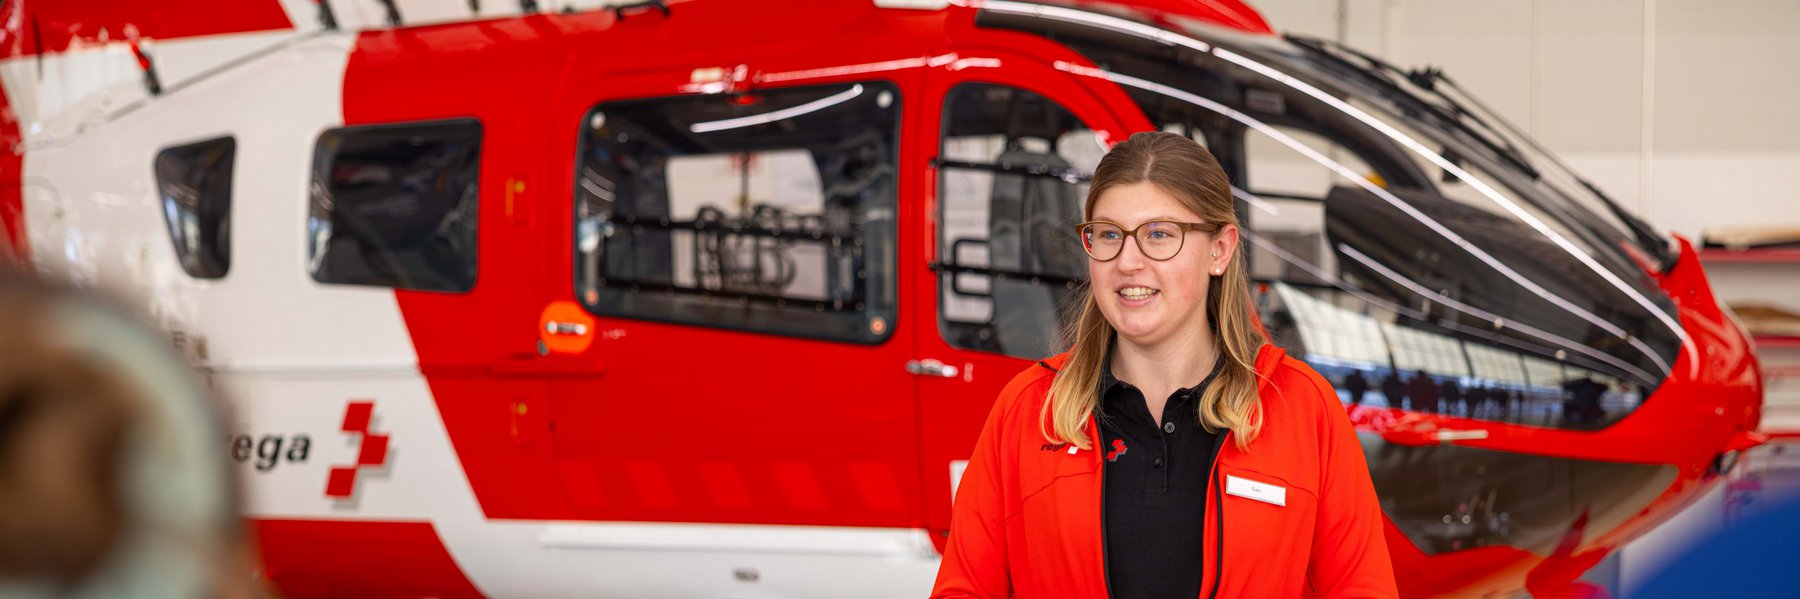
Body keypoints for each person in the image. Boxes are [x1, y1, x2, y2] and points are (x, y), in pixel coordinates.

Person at [931, 132, 1396, 598]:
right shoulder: (1030, 410)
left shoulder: (1301, 408)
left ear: (1219, 250)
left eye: (1159, 235)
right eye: (1109, 234)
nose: (1128, 261)